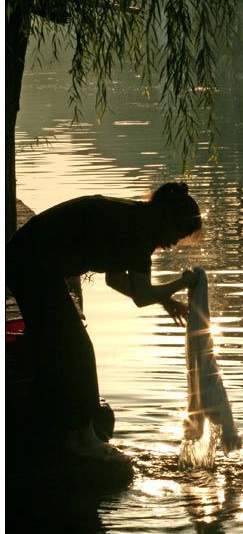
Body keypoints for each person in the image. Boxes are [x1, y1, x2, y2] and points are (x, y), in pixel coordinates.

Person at [6, 181, 202, 463]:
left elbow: (116, 279)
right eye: (178, 233)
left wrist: (167, 299)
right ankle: (82, 439)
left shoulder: (136, 219)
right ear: (166, 219)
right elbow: (142, 296)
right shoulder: (141, 232)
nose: (174, 243)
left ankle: (66, 428)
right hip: (32, 264)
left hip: (36, 261)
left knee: (59, 346)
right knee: (78, 351)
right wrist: (183, 282)